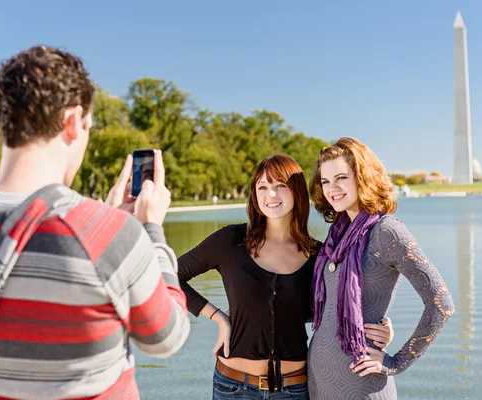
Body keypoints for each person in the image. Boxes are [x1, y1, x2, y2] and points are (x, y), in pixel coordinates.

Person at [0, 45, 190, 400]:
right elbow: (166, 337)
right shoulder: (114, 236)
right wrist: (149, 232)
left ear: (1, 122)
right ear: (73, 122)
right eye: (88, 126)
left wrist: (105, 223)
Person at [178, 154, 393, 399]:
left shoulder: (320, 256)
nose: (271, 195)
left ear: (297, 193)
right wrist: (218, 317)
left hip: (295, 390)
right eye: (263, 187)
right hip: (233, 387)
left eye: (280, 186)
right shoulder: (230, 241)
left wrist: (381, 329)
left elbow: (344, 306)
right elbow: (170, 275)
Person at [306, 137, 455, 399]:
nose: (332, 188)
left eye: (341, 177)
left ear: (363, 177)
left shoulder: (387, 231)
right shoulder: (336, 235)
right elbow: (327, 309)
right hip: (319, 382)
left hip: (361, 382)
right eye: (326, 181)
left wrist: (396, 362)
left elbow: (441, 304)